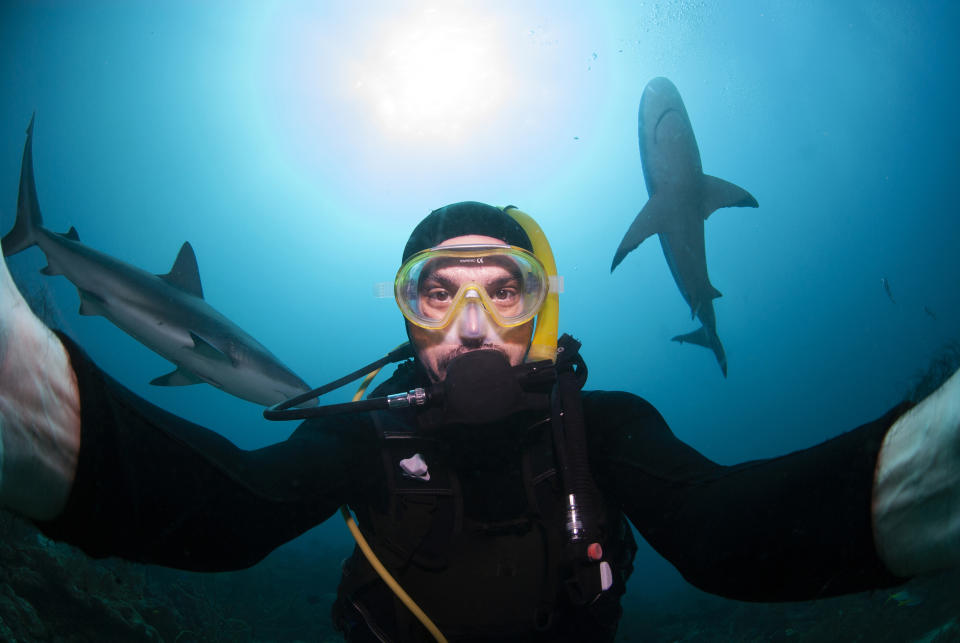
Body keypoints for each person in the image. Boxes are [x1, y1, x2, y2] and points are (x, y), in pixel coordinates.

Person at [1, 200, 959, 643]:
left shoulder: (606, 426)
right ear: (406, 317)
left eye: (507, 290)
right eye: (436, 291)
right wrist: (30, 404)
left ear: (543, 309)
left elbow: (732, 535)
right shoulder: (363, 431)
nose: (469, 323)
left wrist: (929, 472)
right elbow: (226, 506)